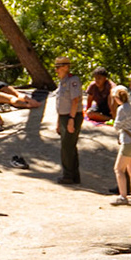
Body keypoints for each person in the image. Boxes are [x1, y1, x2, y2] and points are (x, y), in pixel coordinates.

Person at [52, 56, 84, 185]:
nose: (57, 70)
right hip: (65, 116)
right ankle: (74, 175)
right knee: (69, 146)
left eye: (59, 67)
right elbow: (61, 103)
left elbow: (75, 100)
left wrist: (71, 119)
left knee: (67, 147)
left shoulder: (73, 81)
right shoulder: (62, 81)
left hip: (72, 116)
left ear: (66, 67)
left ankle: (68, 175)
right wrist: (59, 121)